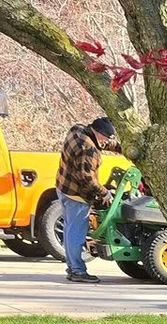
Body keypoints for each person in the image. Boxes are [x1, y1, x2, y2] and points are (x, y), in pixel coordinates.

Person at [57, 115, 118, 284]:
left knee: (70, 230)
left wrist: (120, 148)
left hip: (63, 187)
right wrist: (104, 192)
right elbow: (87, 179)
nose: (106, 142)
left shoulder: (77, 130)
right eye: (106, 138)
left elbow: (104, 142)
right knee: (76, 233)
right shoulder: (88, 150)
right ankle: (77, 270)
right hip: (76, 194)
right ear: (97, 133)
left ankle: (72, 267)